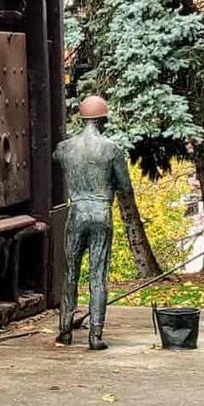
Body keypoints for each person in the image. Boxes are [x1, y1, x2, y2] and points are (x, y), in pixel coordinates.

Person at [54, 94, 134, 351]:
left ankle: (65, 331)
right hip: (101, 212)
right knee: (98, 275)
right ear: (103, 119)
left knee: (70, 273)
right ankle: (95, 335)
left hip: (76, 211)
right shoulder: (111, 148)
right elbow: (125, 188)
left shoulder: (65, 148)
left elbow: (54, 159)